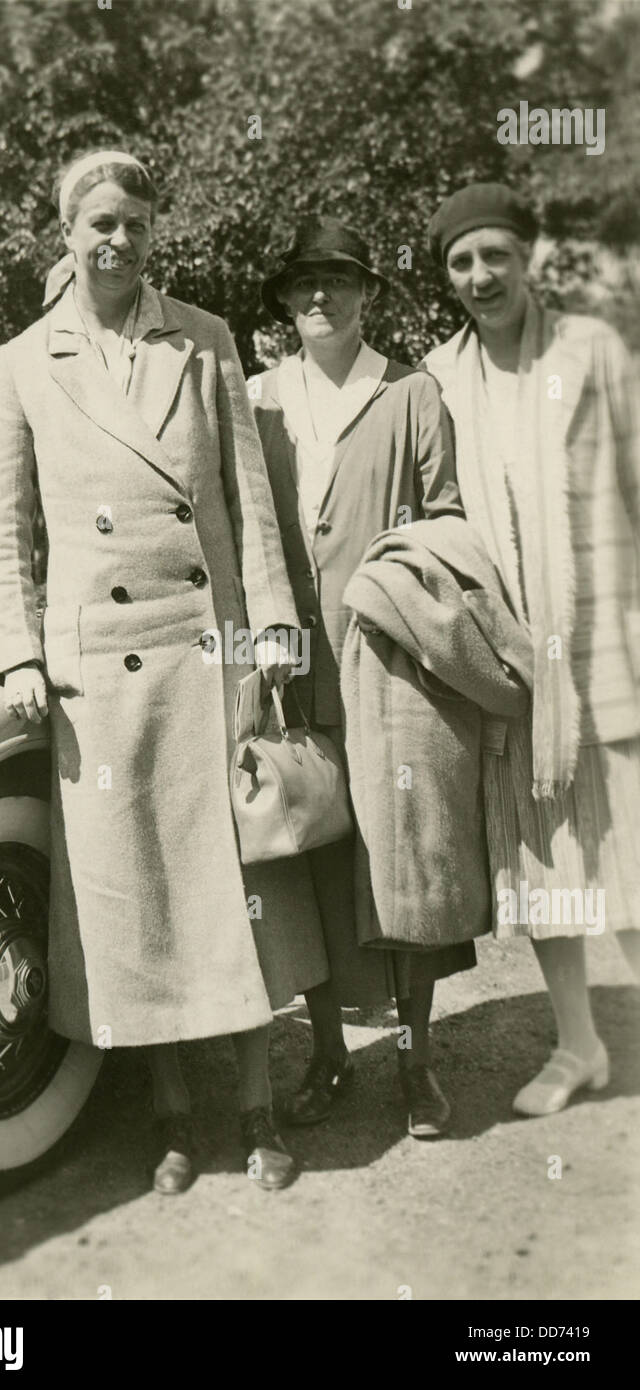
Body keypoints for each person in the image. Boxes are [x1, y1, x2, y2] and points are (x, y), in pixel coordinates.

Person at [0, 149, 329, 1194]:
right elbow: (3, 532)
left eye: (135, 222)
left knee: (241, 885)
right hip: (100, 677)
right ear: (67, 235)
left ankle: (261, 1109)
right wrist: (17, 653)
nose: (119, 240)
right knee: (137, 896)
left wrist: (270, 625)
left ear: (151, 230)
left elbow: (247, 501)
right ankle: (177, 1120)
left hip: (206, 651)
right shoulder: (22, 364)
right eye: (100, 225)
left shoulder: (205, 341)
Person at [250, 216, 480, 1138]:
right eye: (303, 281)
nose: (319, 296)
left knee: (405, 858)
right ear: (283, 300)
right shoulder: (261, 400)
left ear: (365, 294)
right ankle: (330, 1057)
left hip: (389, 669)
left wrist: (390, 577)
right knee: (305, 855)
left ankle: (419, 1061)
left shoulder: (413, 392)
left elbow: (452, 525)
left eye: (337, 280)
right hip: (291, 671)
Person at [423, 181, 640, 1115]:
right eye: (461, 263)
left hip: (608, 642)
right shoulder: (439, 378)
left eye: (494, 256)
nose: (480, 276)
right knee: (548, 864)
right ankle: (579, 1045)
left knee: (631, 852)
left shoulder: (590, 351)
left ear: (527, 257)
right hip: (517, 665)